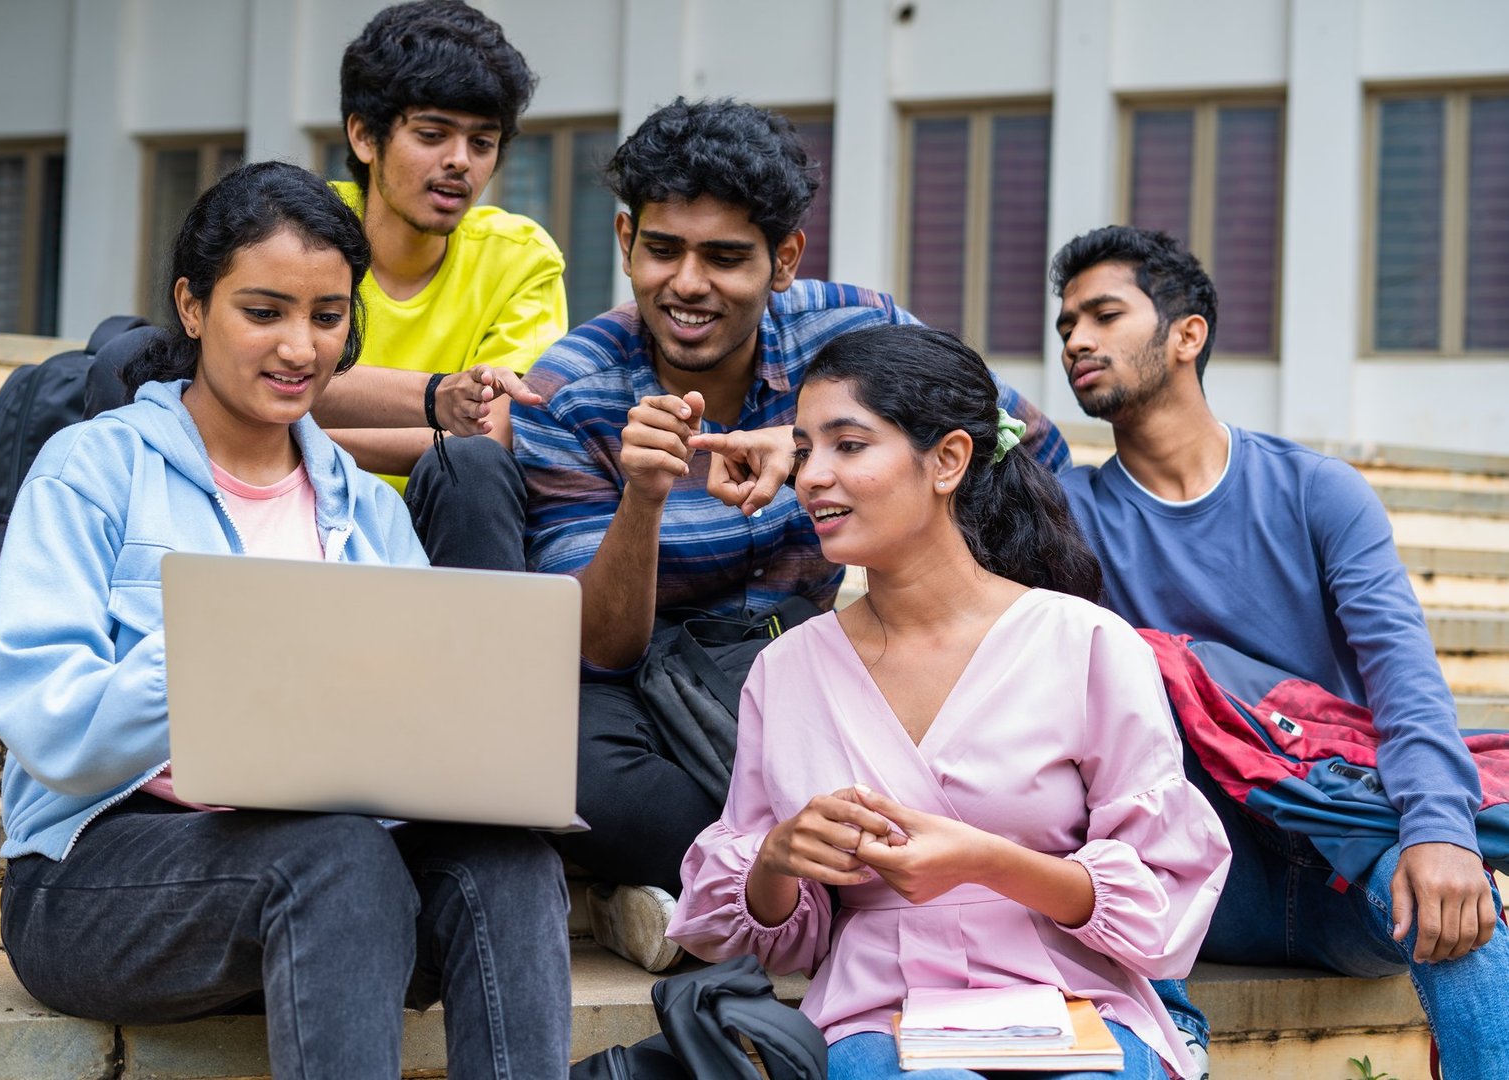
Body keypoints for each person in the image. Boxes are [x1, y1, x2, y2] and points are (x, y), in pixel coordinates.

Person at [0, 162, 570, 1080]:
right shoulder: (92, 470)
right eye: (264, 312)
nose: (300, 347)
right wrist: (225, 649)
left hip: (328, 892)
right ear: (191, 305)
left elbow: (412, 739)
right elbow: (50, 728)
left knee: (510, 860)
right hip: (93, 880)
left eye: (327, 318)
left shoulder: (367, 510)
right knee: (334, 860)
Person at [509, 98, 1071, 971]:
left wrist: (814, 442)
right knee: (569, 771)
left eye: (726, 257)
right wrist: (644, 503)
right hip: (644, 677)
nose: (687, 284)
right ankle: (765, 887)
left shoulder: (851, 333)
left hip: (816, 658)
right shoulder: (571, 390)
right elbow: (602, 650)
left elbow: (1023, 439)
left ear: (785, 260)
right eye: (662, 250)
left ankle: (704, 897)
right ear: (625, 241)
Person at [666, 323, 1231, 1080]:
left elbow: (1163, 900)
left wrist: (985, 862)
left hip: (1075, 1002)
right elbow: (776, 940)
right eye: (803, 450)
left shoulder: (1087, 643)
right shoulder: (786, 670)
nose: (811, 477)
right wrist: (777, 859)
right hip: (878, 1011)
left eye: (849, 445)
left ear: (948, 460)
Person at [1050, 224, 1509, 1079]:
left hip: (1343, 849)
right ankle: (1165, 1035)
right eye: (1065, 325)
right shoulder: (1069, 515)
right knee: (1137, 674)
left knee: (1465, 907)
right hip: (1192, 885)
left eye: (1104, 314)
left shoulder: (1315, 492)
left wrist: (1440, 832)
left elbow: (1403, 676)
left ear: (1188, 335)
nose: (1076, 339)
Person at [313, 0, 568, 569]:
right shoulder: (298, 230)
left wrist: (291, 438)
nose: (460, 162)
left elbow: (488, 438)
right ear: (363, 136)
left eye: (482, 143)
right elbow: (229, 382)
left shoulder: (519, 258)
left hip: (434, 531)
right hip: (286, 505)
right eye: (432, 134)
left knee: (472, 468)